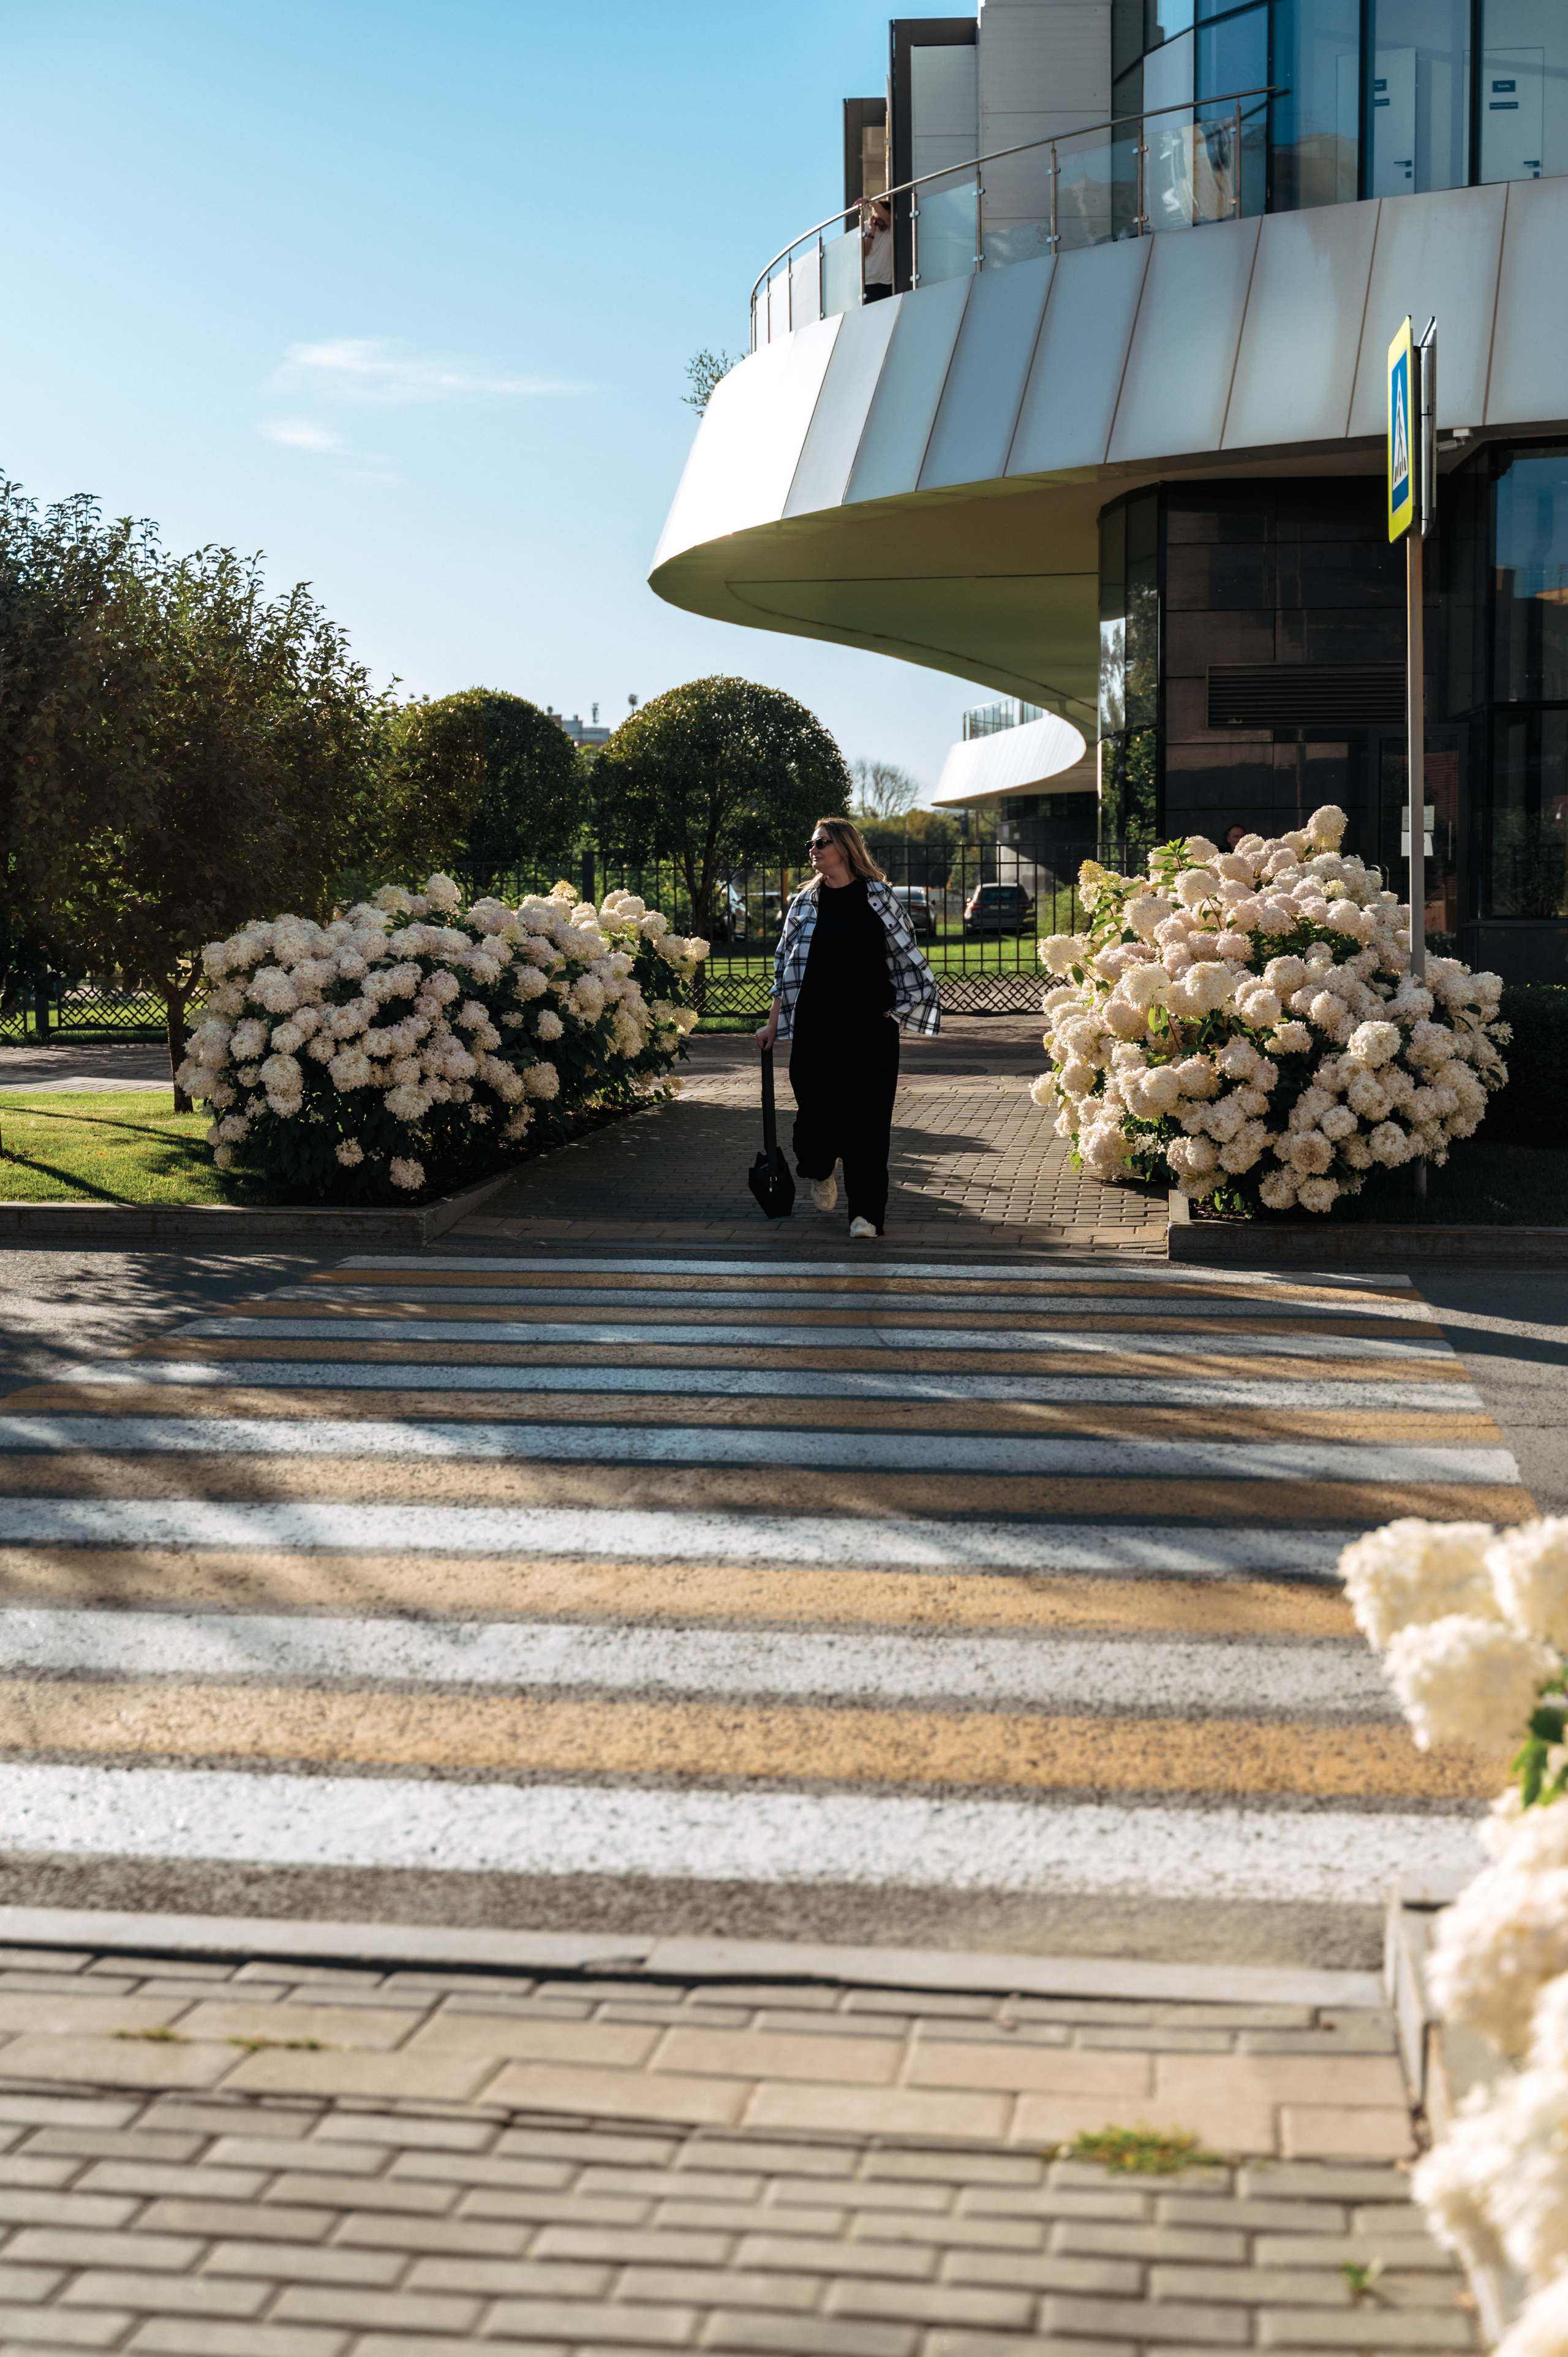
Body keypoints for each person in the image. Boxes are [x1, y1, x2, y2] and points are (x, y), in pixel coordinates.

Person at [756, 815, 940, 1238]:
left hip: (870, 1029)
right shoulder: (804, 904)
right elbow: (784, 970)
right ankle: (821, 1167)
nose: (813, 849)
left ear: (843, 847)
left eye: (820, 842)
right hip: (816, 1028)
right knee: (814, 1116)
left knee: (869, 1124)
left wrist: (896, 1008)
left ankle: (866, 1215)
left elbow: (905, 953)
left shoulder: (879, 897)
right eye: (811, 843)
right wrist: (771, 1026)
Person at [861, 196, 893, 303]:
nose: (882, 223)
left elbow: (887, 218)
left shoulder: (891, 226)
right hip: (868, 281)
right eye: (879, 219)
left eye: (882, 219)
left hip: (887, 282)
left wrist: (871, 201)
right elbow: (864, 252)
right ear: (874, 218)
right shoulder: (866, 227)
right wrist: (872, 233)